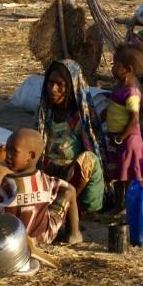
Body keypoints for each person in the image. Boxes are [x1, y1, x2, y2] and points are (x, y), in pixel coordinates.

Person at [0, 128, 80, 246]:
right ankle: (74, 235)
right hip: (44, 237)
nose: (7, 156)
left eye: (13, 151)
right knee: (69, 191)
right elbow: (69, 189)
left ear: (31, 156)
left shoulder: (9, 185)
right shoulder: (46, 180)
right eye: (7, 150)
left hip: (14, 240)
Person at [36, 59, 106, 214]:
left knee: (89, 159)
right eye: (50, 83)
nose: (53, 89)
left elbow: (94, 153)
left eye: (59, 84)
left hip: (77, 185)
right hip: (51, 178)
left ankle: (64, 206)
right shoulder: (46, 116)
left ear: (72, 87)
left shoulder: (81, 119)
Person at [103, 43, 143, 207]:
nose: (112, 68)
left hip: (128, 141)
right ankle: (119, 205)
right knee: (118, 174)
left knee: (128, 175)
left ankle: (128, 205)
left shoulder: (131, 93)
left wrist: (120, 138)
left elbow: (134, 120)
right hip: (118, 139)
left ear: (128, 69)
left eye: (115, 65)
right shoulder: (118, 88)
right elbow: (112, 109)